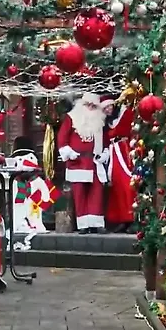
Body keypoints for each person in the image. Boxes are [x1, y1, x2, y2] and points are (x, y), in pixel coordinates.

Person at [57, 93, 110, 233]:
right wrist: (68, 152)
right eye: (88, 105)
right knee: (80, 194)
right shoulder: (72, 118)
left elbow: (105, 141)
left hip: (94, 162)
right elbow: (62, 138)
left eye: (94, 106)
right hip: (77, 161)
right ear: (82, 104)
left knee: (96, 193)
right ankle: (83, 225)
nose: (91, 108)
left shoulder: (99, 121)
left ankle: (95, 223)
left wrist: (104, 153)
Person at [104, 100, 136, 233]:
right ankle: (122, 219)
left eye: (109, 106)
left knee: (128, 185)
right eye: (104, 108)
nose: (107, 109)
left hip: (125, 152)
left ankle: (132, 218)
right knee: (117, 186)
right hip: (114, 154)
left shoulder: (126, 114)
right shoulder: (106, 123)